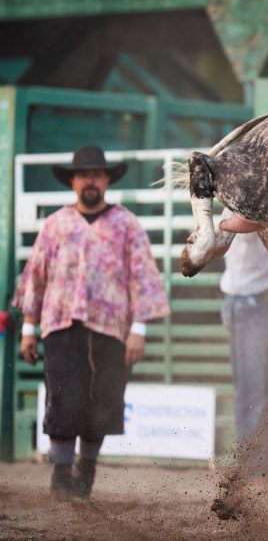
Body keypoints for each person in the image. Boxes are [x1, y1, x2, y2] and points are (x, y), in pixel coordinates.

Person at [14, 145, 169, 501]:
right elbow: (35, 277)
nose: (90, 181)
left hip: (110, 327)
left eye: (97, 175)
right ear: (73, 181)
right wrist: (27, 328)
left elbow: (142, 277)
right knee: (63, 399)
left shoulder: (126, 224)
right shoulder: (55, 225)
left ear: (106, 180)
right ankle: (60, 472)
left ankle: (86, 469)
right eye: (84, 175)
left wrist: (139, 329)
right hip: (61, 325)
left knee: (102, 402)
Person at [219, 232, 268, 483]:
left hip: (265, 304)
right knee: (252, 393)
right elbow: (247, 222)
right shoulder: (242, 202)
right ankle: (251, 474)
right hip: (247, 304)